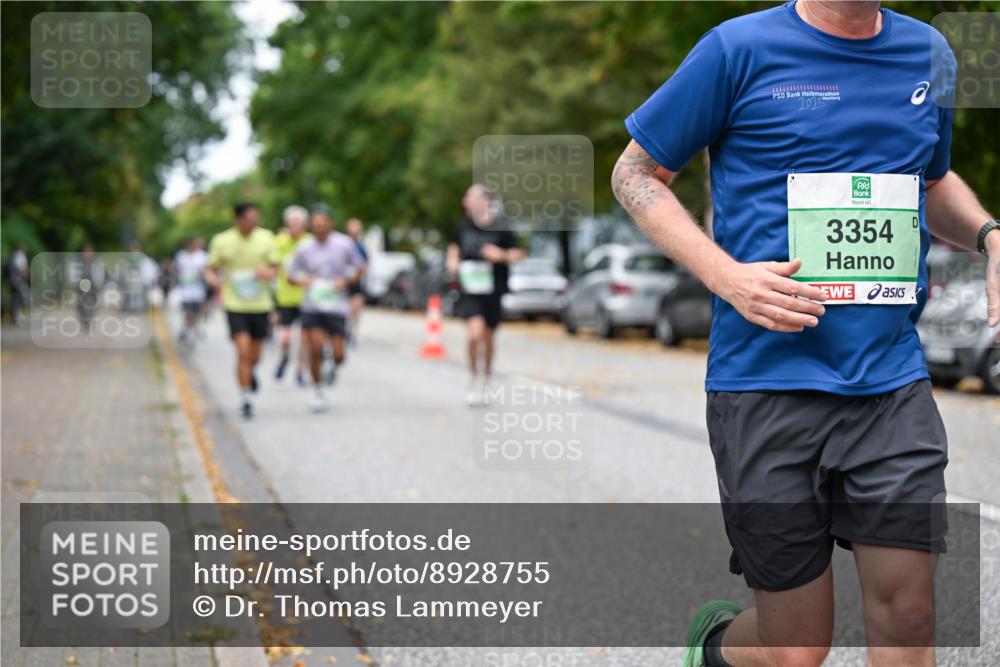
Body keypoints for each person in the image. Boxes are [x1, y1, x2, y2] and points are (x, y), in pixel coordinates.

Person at [612, 2, 999, 666]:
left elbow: (929, 181)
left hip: (890, 383)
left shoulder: (929, 53)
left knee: (909, 615)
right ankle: (714, 647)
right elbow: (634, 173)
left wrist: (990, 235)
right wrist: (726, 276)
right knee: (794, 647)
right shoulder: (735, 50)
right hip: (765, 380)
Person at [446, 183, 524, 406]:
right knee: (474, 335)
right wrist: (452, 262)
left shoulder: (501, 226)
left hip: (494, 289)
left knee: (489, 338)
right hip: (469, 289)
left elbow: (519, 253)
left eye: (469, 197)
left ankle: (486, 379)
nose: (465, 202)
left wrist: (500, 255)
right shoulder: (463, 225)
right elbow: (453, 249)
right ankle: (473, 377)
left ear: (485, 201)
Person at [287, 205, 366, 413]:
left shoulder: (344, 244)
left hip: (336, 307)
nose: (319, 226)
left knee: (339, 354)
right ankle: (318, 391)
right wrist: (304, 280)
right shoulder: (304, 247)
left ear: (331, 223)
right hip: (312, 306)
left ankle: (333, 365)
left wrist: (346, 281)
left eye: (323, 223)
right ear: (311, 225)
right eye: (316, 223)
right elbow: (291, 274)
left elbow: (360, 268)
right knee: (315, 348)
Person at [204, 203, 279, 419]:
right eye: (249, 219)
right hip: (234, 304)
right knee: (243, 351)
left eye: (256, 219)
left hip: (261, 304)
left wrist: (266, 273)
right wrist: (214, 281)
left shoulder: (267, 238)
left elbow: (276, 268)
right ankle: (246, 398)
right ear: (238, 219)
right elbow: (210, 269)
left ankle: (250, 372)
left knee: (255, 355)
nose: (254, 223)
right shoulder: (222, 241)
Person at [273, 205, 311, 383]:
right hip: (285, 296)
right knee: (286, 338)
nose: (295, 226)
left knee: (305, 337)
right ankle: (285, 357)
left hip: (307, 298)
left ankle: (300, 370)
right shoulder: (279, 242)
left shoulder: (310, 241)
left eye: (299, 223)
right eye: (292, 223)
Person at [174, 237, 209, 345]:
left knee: (197, 312)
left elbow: (206, 270)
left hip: (198, 289)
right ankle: (187, 329)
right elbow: (177, 270)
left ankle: (193, 328)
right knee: (188, 311)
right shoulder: (181, 256)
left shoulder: (202, 256)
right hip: (185, 290)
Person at [345, 217, 369, 344]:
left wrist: (358, 277)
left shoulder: (361, 248)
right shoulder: (341, 245)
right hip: (343, 282)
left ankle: (351, 331)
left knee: (356, 308)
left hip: (356, 283)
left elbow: (365, 266)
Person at [4, 243, 29, 325]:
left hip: (11, 280)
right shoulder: (20, 255)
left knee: (15, 297)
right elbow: (22, 268)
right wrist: (27, 274)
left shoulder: (13, 255)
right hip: (17, 280)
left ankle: (13, 317)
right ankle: (16, 317)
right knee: (21, 297)